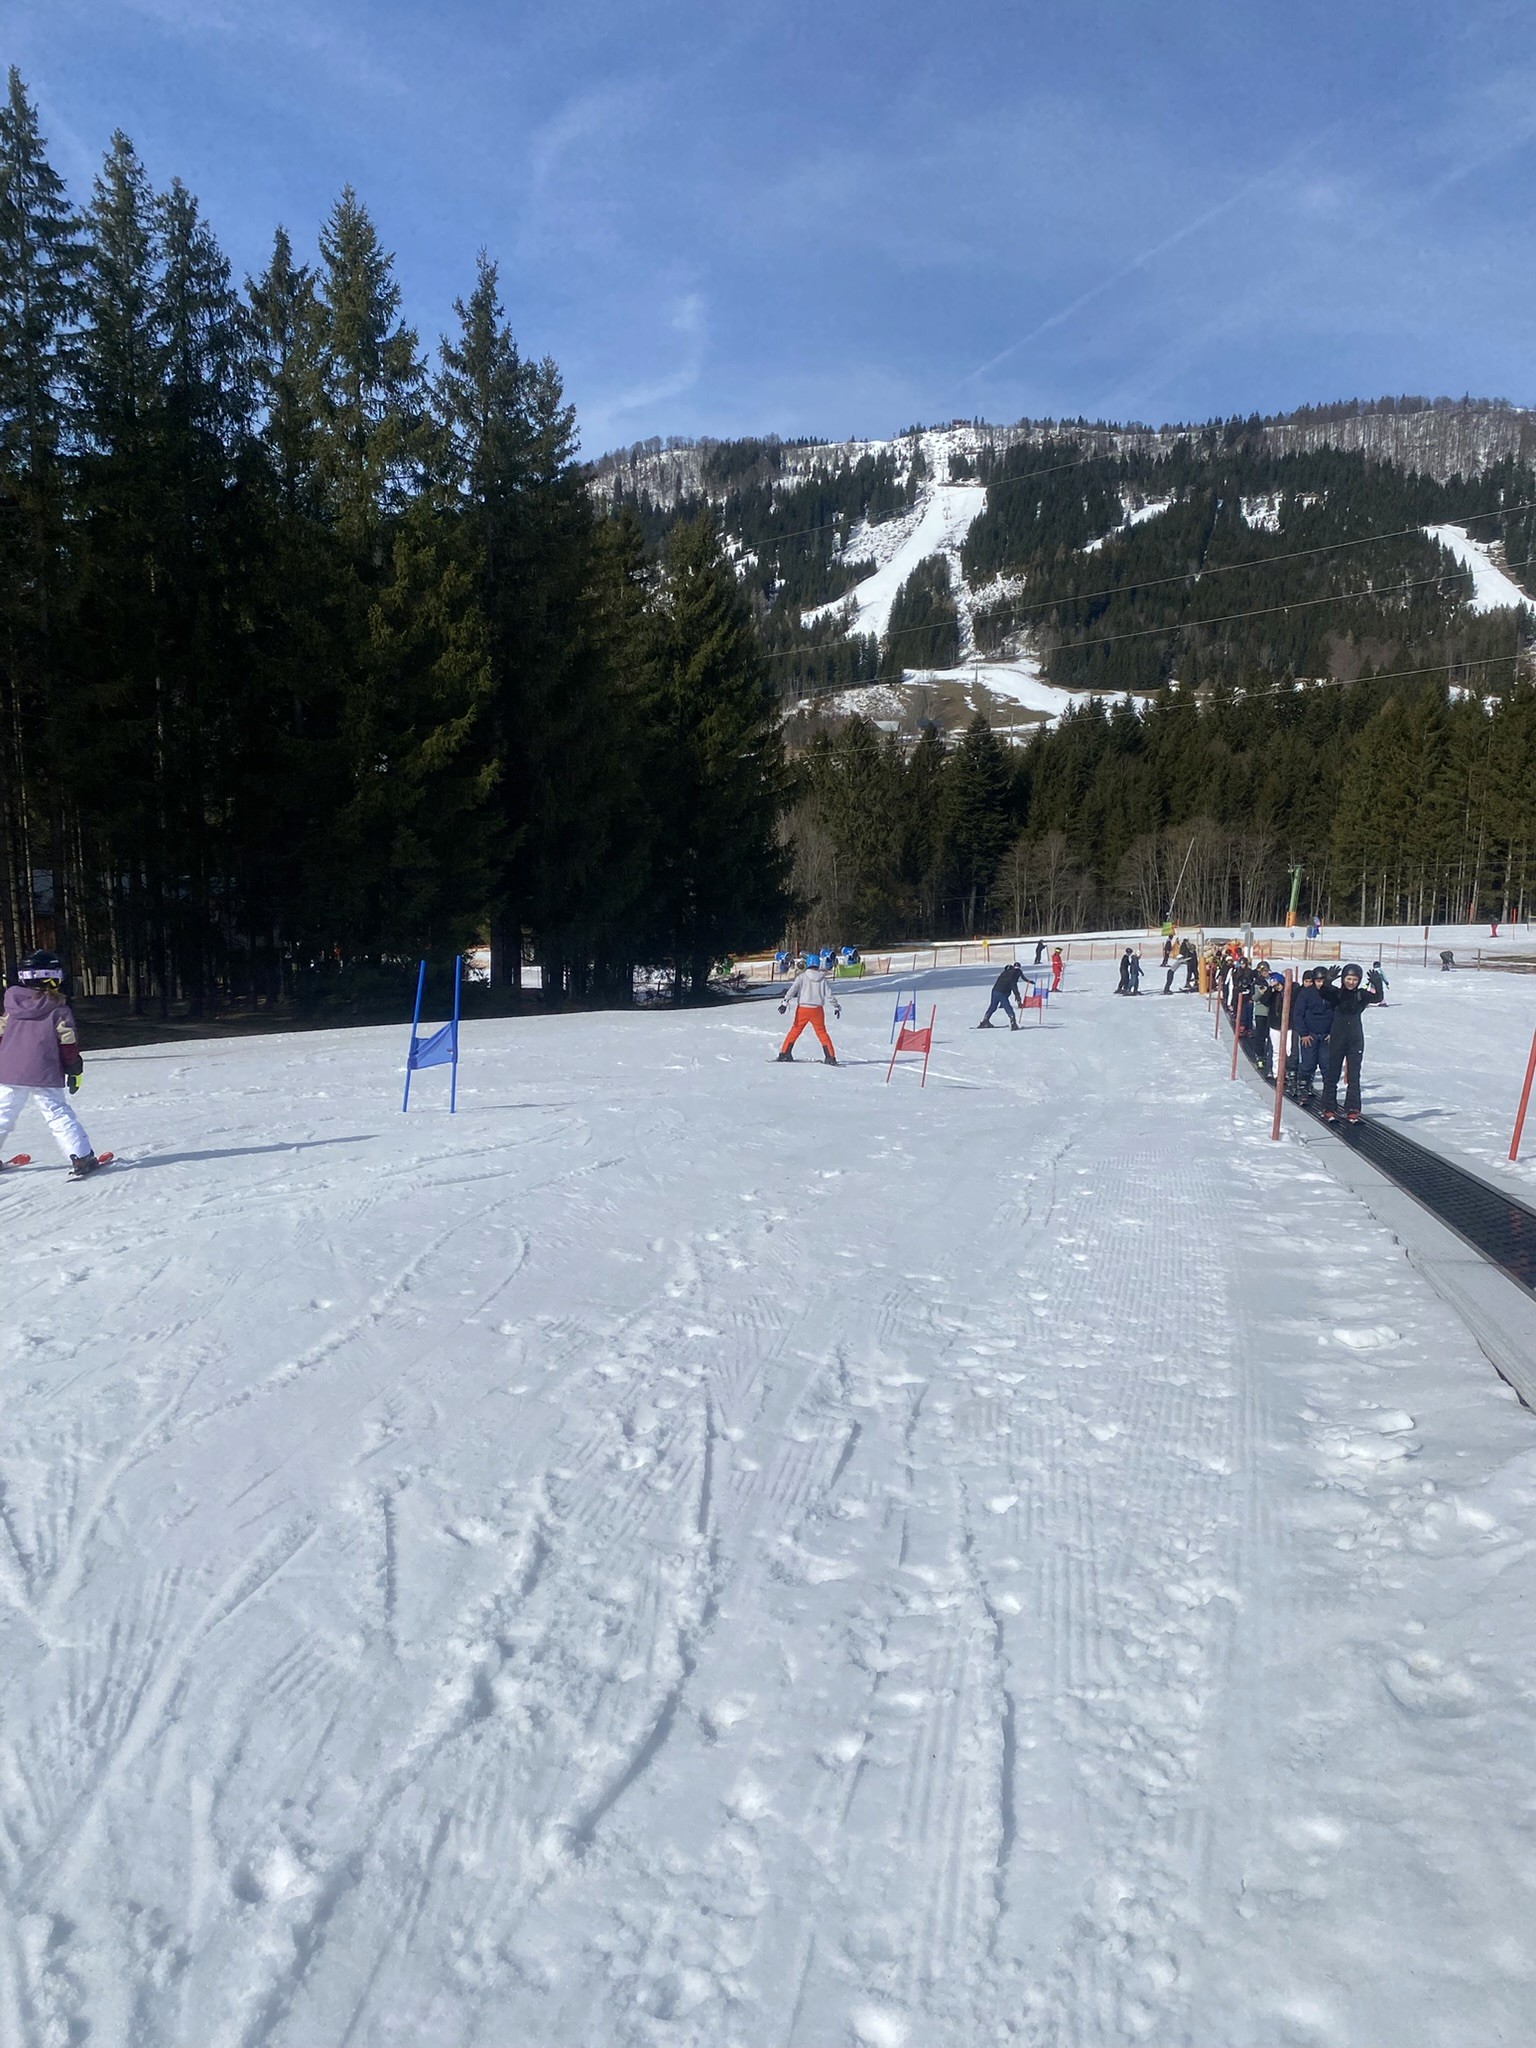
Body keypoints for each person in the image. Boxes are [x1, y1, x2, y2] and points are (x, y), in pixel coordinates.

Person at [0, 951, 104, 1178]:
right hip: (44, 1072)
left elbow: (1, 1034)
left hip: (9, 1071)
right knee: (56, 1112)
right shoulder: (59, 1010)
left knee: (3, 1112)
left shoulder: (12, 1005)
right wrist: (74, 1067)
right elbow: (68, 1043)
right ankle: (81, 1156)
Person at [1316, 962, 1383, 1122]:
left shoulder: (1361, 995)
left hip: (1355, 1039)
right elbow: (1324, 993)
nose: (1351, 982)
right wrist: (1328, 981)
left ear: (1359, 980)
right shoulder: (1337, 994)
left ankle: (1352, 1108)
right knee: (1332, 1074)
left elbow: (1378, 998)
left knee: (1354, 1076)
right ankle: (1328, 1107)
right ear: (1343, 979)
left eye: (1354, 979)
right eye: (1348, 978)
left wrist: (1378, 983)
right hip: (1338, 1037)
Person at [777, 957, 841, 1064]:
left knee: (795, 1030)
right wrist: (836, 1006)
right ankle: (830, 1057)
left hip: (803, 1009)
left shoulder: (802, 977)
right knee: (822, 1033)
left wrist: (785, 1002)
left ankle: (785, 1053)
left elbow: (792, 990)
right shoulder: (822, 979)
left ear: (807, 964)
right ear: (818, 965)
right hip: (817, 1010)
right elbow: (829, 994)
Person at [1289, 967, 1333, 1103]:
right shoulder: (1306, 993)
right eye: (1318, 981)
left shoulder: (1332, 993)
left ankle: (1328, 1095)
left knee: (1327, 1066)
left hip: (1326, 1035)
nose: (1320, 984)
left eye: (1323, 981)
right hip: (1310, 1035)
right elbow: (1298, 1014)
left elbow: (1338, 1013)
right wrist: (1303, 1033)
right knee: (1308, 1064)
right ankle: (1303, 1089)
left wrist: (1333, 1032)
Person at [978, 961, 1027, 1029]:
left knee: (993, 1006)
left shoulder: (1003, 973)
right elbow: (1014, 987)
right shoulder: (1012, 976)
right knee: (1008, 1007)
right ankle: (1013, 1023)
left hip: (995, 991)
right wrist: (1017, 996)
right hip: (1002, 993)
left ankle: (985, 1021)